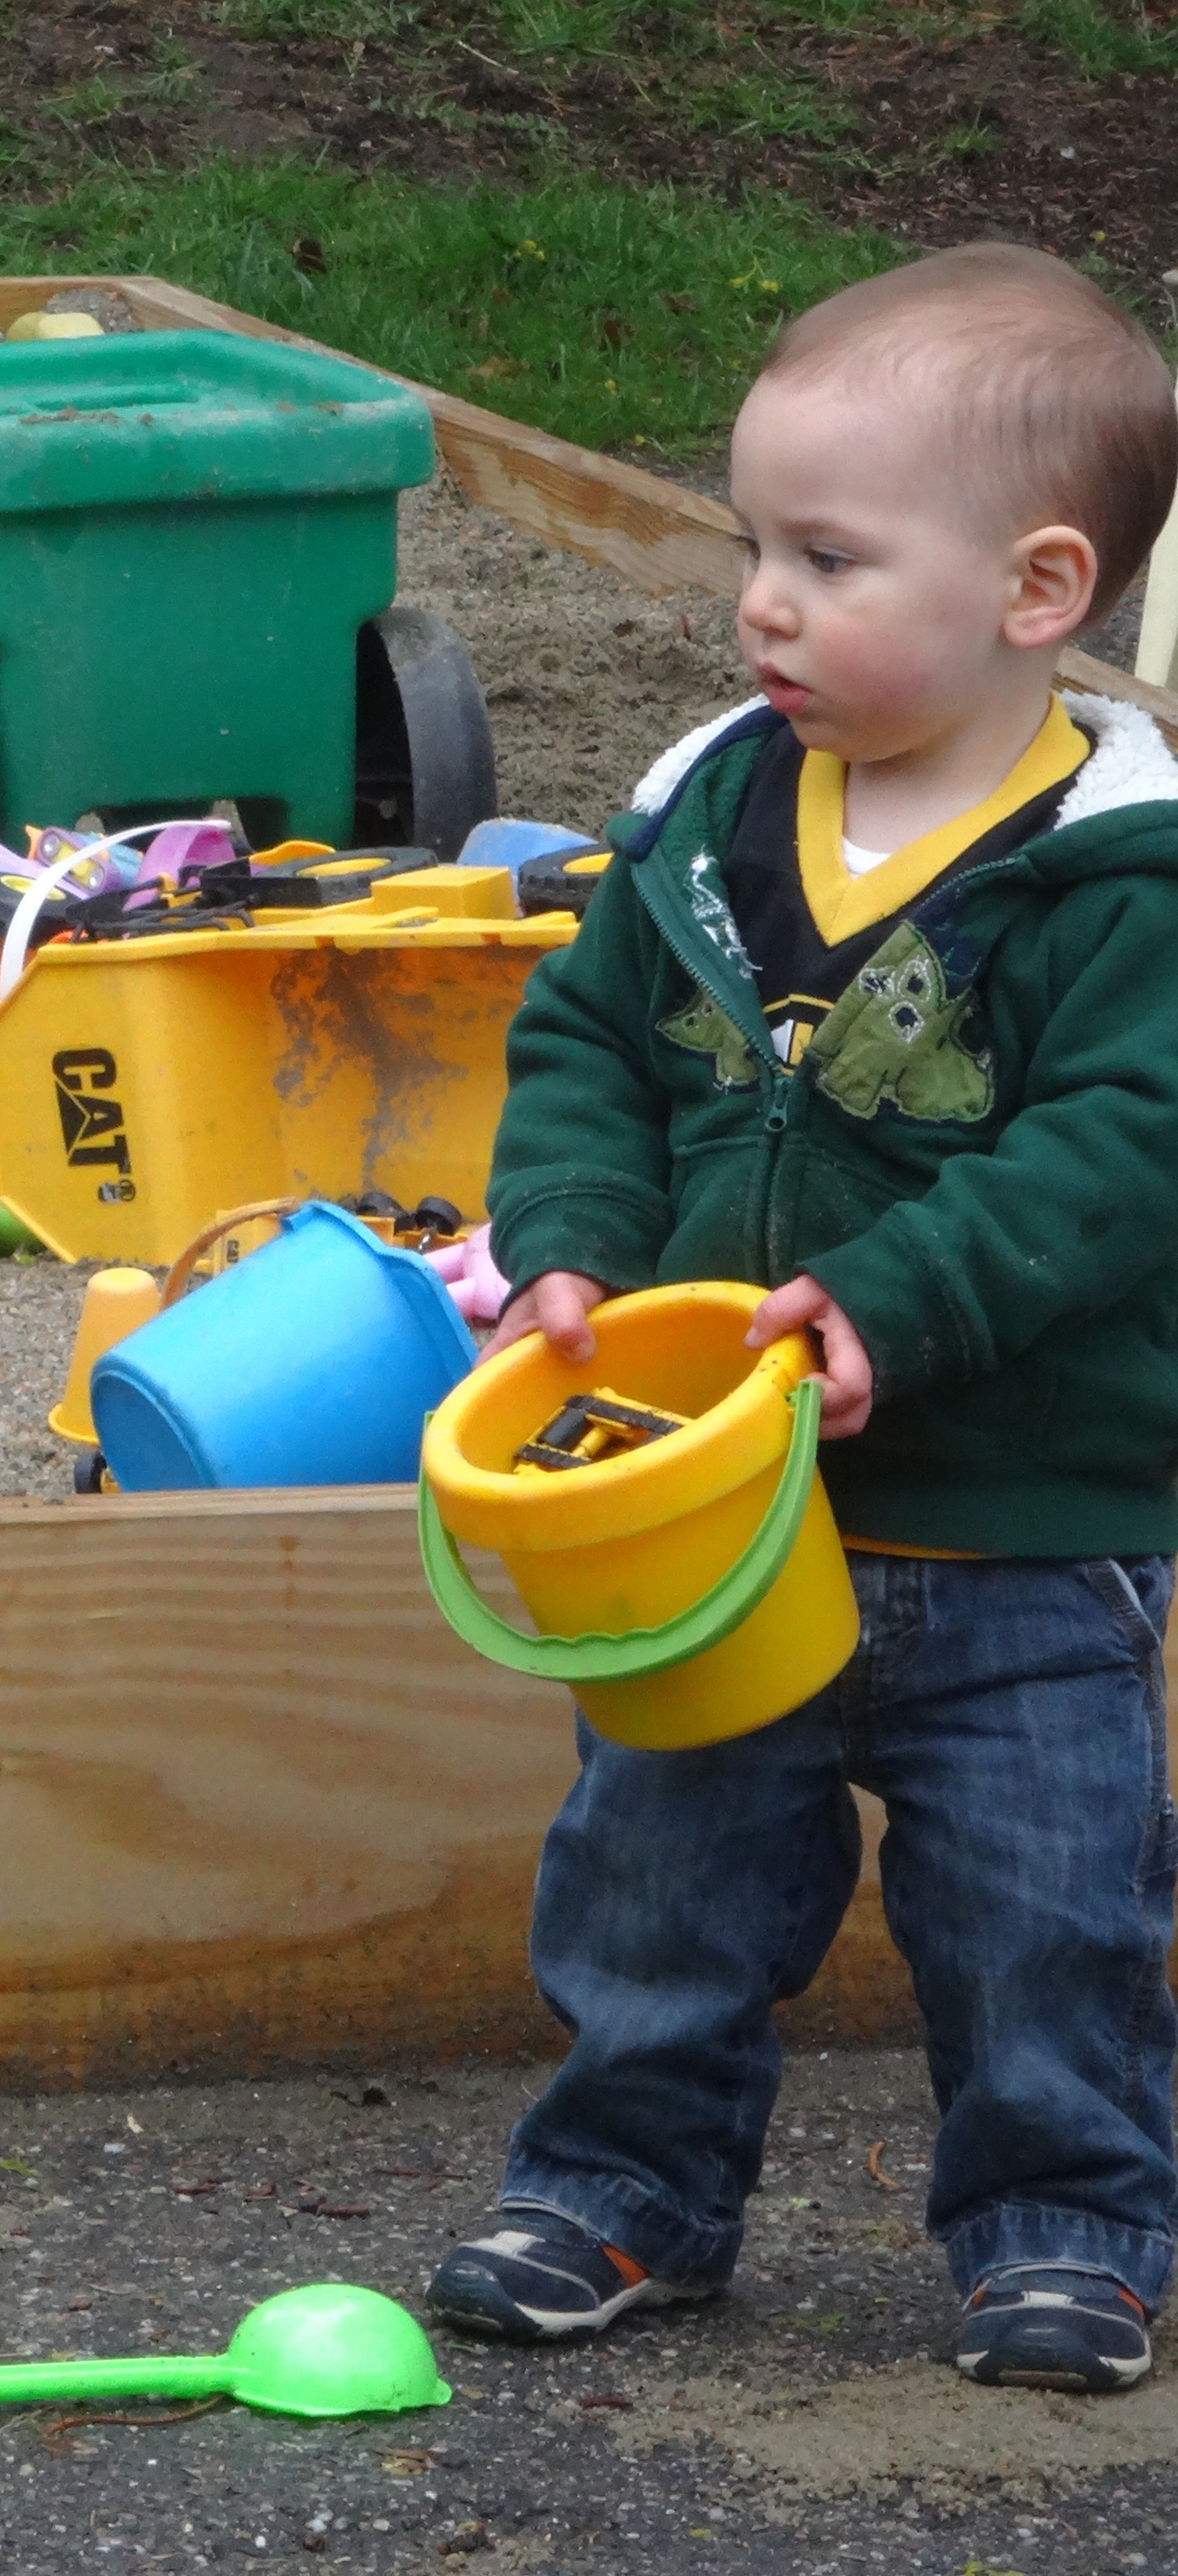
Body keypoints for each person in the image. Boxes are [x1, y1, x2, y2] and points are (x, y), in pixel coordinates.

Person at [430, 242, 1178, 2394]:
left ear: (1036, 590)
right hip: (710, 1503)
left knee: (1041, 1911)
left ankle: (1062, 2223)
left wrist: (893, 1292)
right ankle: (620, 2185)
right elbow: (588, 1046)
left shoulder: (1114, 875)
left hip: (1015, 1525)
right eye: (752, 544)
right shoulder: (707, 810)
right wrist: (566, 1240)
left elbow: (1121, 1148)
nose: (759, 602)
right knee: (655, 1878)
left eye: (825, 559)